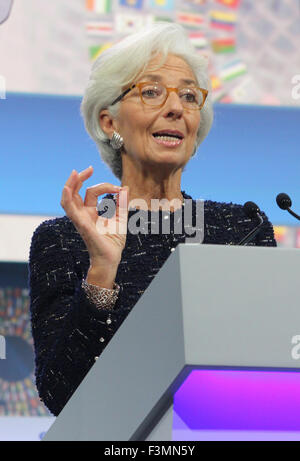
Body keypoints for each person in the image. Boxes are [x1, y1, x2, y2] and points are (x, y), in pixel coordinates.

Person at [28, 23, 276, 417]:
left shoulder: (242, 229)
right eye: (151, 91)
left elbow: (271, 365)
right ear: (110, 123)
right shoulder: (66, 239)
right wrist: (102, 272)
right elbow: (61, 393)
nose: (176, 108)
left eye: (190, 96)